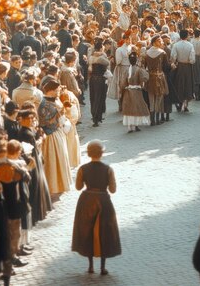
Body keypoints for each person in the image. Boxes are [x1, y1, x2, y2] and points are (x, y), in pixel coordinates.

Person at [72, 140, 121, 276]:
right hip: (103, 201)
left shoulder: (83, 169)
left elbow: (78, 187)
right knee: (105, 232)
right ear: (102, 153)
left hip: (87, 201)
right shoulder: (108, 169)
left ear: (88, 153)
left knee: (87, 232)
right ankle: (103, 268)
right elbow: (113, 189)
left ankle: (90, 266)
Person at [38, 78, 72, 195]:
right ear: (51, 90)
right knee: (53, 161)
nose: (58, 92)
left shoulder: (53, 99)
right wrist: (59, 114)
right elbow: (44, 122)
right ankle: (53, 186)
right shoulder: (44, 104)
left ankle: (60, 184)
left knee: (61, 159)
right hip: (50, 136)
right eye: (57, 90)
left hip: (57, 132)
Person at [121, 50, 150, 133]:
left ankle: (130, 127)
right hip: (137, 91)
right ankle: (136, 125)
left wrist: (124, 88)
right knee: (137, 108)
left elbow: (123, 82)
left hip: (128, 91)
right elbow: (145, 78)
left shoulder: (126, 70)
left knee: (129, 109)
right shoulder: (139, 69)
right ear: (136, 60)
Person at [145, 34, 170, 125]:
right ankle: (157, 119)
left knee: (151, 98)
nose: (161, 42)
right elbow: (166, 67)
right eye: (159, 41)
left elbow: (144, 67)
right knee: (159, 98)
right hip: (159, 77)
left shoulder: (146, 53)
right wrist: (173, 66)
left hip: (150, 77)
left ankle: (152, 120)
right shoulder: (162, 53)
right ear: (154, 42)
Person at [88, 37, 110, 128]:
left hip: (92, 79)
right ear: (101, 48)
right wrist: (103, 54)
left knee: (93, 98)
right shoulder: (102, 57)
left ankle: (94, 116)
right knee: (99, 98)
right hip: (100, 79)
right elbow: (107, 63)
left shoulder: (91, 57)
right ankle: (97, 117)